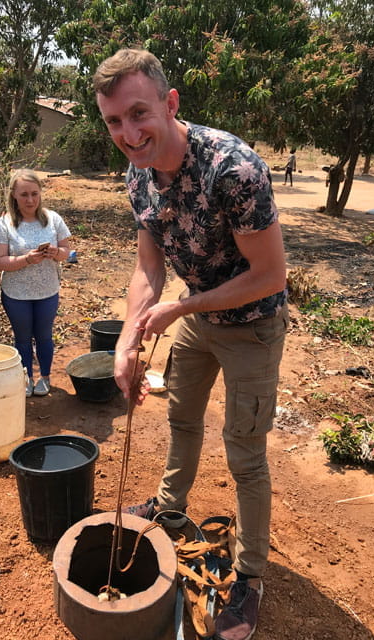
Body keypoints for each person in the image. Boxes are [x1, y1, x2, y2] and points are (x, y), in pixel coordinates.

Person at [93, 48, 288, 640]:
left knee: (244, 452)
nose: (128, 134)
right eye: (113, 123)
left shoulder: (234, 169)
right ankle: (169, 505)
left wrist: (181, 307)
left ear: (170, 103)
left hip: (252, 324)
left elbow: (271, 274)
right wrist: (127, 338)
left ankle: (250, 578)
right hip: (198, 315)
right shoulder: (138, 175)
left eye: (138, 114)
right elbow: (147, 271)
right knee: (181, 417)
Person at [0, 169, 71, 397]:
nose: (30, 200)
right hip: (16, 294)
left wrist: (56, 252)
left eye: (34, 193)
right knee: (22, 338)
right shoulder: (3, 224)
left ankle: (44, 377)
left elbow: (67, 251)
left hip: (47, 290)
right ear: (13, 194)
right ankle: (26, 378)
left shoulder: (53, 219)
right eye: (24, 194)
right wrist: (26, 259)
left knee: (44, 335)